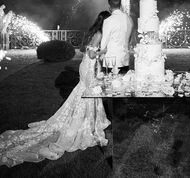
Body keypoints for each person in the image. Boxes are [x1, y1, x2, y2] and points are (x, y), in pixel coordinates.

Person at [0, 11, 111, 167]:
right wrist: (104, 52)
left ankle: (88, 123)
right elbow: (92, 54)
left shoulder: (94, 31)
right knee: (88, 93)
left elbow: (84, 51)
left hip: (86, 66)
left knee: (85, 94)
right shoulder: (99, 34)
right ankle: (83, 127)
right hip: (89, 66)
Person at [100, 0, 134, 74]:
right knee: (123, 83)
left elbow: (104, 40)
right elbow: (130, 38)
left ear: (109, 7)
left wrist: (102, 53)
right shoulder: (129, 19)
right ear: (120, 5)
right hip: (125, 58)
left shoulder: (108, 20)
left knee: (110, 83)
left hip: (111, 60)